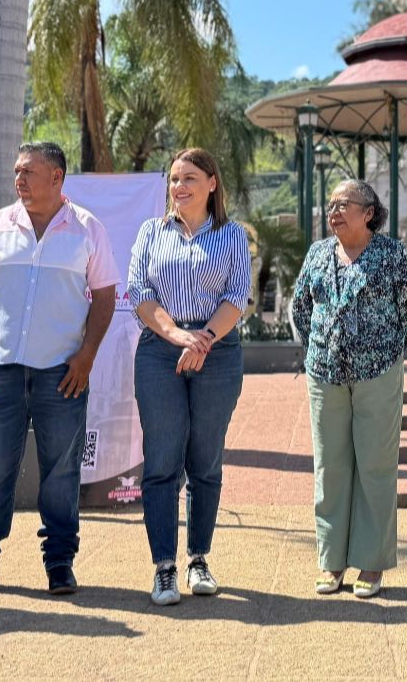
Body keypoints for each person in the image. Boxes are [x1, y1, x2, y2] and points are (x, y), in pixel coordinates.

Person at [0, 142, 119, 598]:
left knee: (61, 473)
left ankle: (59, 564)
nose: (18, 179)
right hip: (0, 373)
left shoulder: (88, 230)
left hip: (63, 374)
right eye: (16, 171)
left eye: (28, 172)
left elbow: (105, 297)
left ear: (56, 177)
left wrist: (87, 355)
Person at [292, 179, 407, 599]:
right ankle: (331, 560)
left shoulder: (390, 254)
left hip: (378, 373)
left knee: (375, 467)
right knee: (329, 468)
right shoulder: (318, 253)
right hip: (325, 373)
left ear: (368, 213)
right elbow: (300, 307)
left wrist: (387, 351)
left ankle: (371, 562)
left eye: (343, 204)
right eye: (331, 204)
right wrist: (320, 347)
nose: (334, 211)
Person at [129, 147, 251, 605]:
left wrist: (203, 341)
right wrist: (179, 336)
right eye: (174, 179)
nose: (179, 187)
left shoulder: (232, 235)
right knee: (162, 461)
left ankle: (199, 558)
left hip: (217, 353)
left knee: (205, 461)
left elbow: (237, 296)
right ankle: (164, 567)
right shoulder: (150, 232)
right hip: (160, 351)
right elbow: (139, 291)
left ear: (212, 184)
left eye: (190, 178)